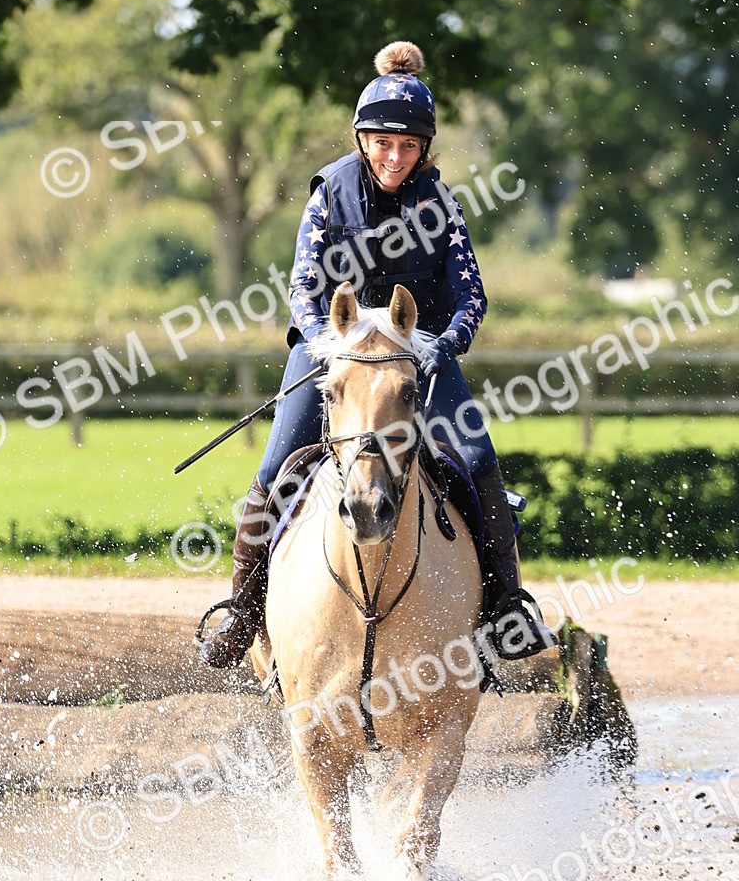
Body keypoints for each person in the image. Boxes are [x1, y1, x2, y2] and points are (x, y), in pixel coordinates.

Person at [197, 40, 555, 669]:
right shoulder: (327, 194)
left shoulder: (442, 205)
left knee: (477, 459)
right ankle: (242, 609)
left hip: (418, 356)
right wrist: (329, 344)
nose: (394, 157)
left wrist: (445, 343)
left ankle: (503, 605)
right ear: (362, 140)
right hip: (335, 355)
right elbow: (304, 289)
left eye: (408, 147)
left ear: (425, 149)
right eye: (382, 144)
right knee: (277, 462)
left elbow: (472, 293)